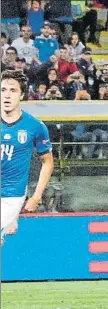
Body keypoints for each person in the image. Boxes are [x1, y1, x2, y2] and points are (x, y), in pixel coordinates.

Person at [1, 69, 54, 245]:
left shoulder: (35, 126)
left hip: (11, 196)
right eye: (3, 90)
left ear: (22, 95)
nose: (7, 96)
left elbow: (47, 163)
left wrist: (36, 196)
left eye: (13, 90)